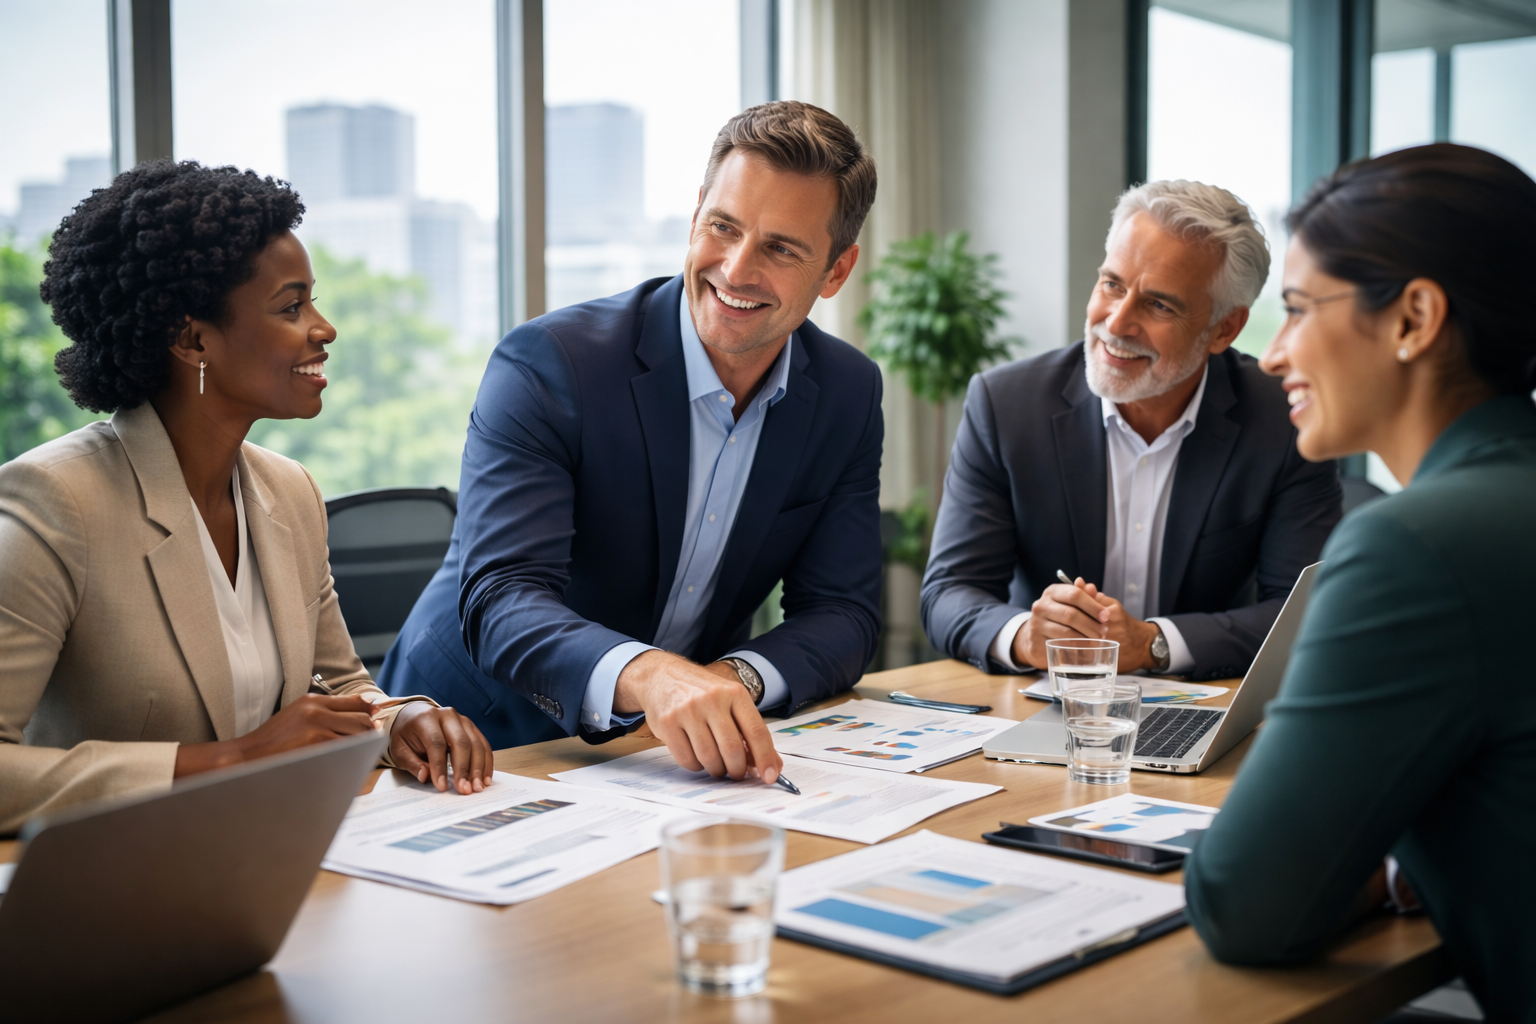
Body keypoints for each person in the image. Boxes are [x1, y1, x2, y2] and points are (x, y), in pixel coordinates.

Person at [379, 101, 883, 782]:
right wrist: (653, 678)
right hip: (474, 739)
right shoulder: (552, 363)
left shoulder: (847, 392)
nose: (735, 270)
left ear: (835, 271)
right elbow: (502, 597)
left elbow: (842, 613)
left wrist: (729, 682)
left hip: (661, 760)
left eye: (781, 248)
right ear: (698, 209)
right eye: (723, 227)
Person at [0, 160, 493, 835]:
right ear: (193, 338)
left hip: (265, 859)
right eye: (291, 307)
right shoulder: (57, 504)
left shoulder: (288, 492)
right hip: (113, 882)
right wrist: (231, 760)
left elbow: (340, 686)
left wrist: (396, 717)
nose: (324, 328)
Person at [1183, 144, 1536, 1023]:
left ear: (1414, 317)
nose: (1274, 355)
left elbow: (1245, 904)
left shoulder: (1415, 546)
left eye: (1298, 310)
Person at [922, 181, 1341, 681]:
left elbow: (1302, 615)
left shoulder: (1284, 418)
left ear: (1224, 330)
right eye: (1112, 285)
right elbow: (949, 592)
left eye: (1159, 305)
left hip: (1205, 706)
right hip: (1042, 705)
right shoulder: (1006, 405)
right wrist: (1023, 636)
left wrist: (1154, 644)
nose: (1117, 323)